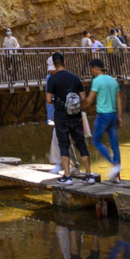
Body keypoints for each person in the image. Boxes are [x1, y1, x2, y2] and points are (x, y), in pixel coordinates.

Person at [46, 51, 92, 184]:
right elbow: (83, 97)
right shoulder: (75, 78)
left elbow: (49, 100)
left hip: (61, 116)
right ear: (65, 62)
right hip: (76, 116)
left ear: (54, 65)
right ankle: (89, 175)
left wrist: (59, 101)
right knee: (81, 144)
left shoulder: (52, 80)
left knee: (64, 145)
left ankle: (67, 176)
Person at [83, 57, 123, 180]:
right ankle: (116, 176)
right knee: (114, 144)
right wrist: (119, 117)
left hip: (103, 115)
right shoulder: (113, 80)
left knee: (96, 141)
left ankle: (114, 164)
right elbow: (119, 100)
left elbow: (90, 99)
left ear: (95, 68)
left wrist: (80, 108)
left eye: (92, 69)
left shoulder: (97, 81)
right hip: (113, 114)